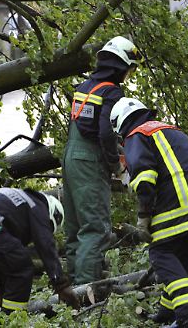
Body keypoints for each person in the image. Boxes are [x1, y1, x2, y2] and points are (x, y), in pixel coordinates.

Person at [110, 97, 188, 328]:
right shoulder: (170, 130)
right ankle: (167, 313)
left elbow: (145, 178)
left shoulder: (135, 135)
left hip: (178, 206)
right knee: (180, 259)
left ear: (120, 124)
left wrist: (143, 216)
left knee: (160, 254)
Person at [62, 36, 140, 284]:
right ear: (121, 65)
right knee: (95, 228)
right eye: (129, 69)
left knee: (75, 227)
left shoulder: (84, 87)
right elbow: (106, 132)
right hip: (89, 160)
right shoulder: (112, 91)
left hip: (70, 157)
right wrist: (116, 164)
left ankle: (73, 284)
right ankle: (86, 291)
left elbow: (88, 126)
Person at [0, 188, 80, 312]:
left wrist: (3, 292)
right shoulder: (38, 205)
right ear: (52, 212)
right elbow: (45, 243)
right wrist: (61, 284)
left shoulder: (18, 204)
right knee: (22, 269)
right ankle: (12, 318)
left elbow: (3, 261)